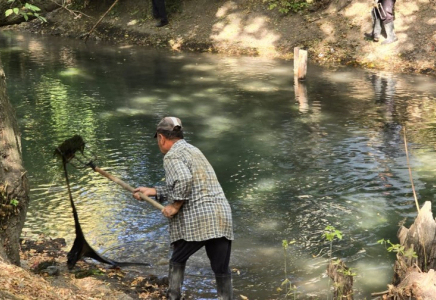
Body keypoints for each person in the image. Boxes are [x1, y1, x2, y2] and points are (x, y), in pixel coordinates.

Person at [133, 117, 234, 300]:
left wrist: (174, 206)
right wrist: (154, 191)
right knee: (221, 270)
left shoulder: (171, 155)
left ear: (162, 138)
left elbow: (184, 181)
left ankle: (173, 297)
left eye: (158, 139)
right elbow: (189, 182)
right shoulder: (193, 151)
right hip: (221, 216)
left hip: (200, 219)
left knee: (177, 260)